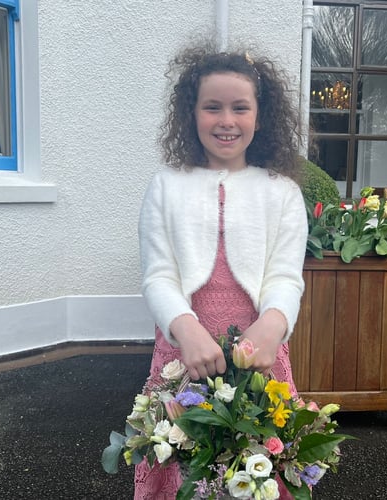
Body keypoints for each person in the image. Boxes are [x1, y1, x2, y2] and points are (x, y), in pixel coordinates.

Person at [134, 41, 308, 500]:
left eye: (239, 108)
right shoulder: (166, 186)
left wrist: (273, 325)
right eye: (212, 107)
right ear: (191, 113)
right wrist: (185, 330)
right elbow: (158, 275)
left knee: (256, 469)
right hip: (182, 356)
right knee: (183, 466)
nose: (226, 120)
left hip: (260, 357)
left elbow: (286, 277)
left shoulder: (282, 192)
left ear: (259, 115)